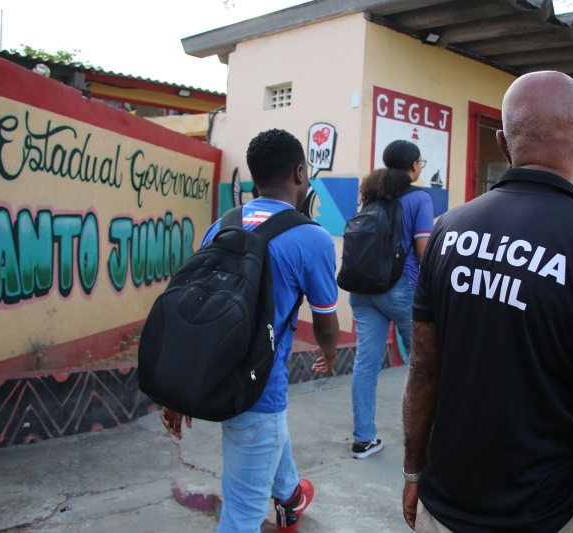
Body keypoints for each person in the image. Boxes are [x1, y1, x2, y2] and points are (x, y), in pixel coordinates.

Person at [402, 71, 573, 533]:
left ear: (503, 144)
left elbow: (424, 368)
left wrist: (413, 472)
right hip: (544, 515)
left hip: (443, 505)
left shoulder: (449, 228)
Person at [160, 129, 340, 533]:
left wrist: (178, 392)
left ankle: (291, 499)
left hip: (216, 372)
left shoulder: (221, 226)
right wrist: (329, 355)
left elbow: (196, 309)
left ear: (255, 177)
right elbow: (326, 321)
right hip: (257, 388)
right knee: (242, 512)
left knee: (271, 433)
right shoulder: (312, 238)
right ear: (300, 173)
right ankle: (282, 501)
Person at [349, 139, 434, 459]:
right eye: (421, 162)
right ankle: (426, 441)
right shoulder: (419, 198)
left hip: (363, 291)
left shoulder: (372, 195)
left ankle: (363, 440)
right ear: (413, 165)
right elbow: (424, 252)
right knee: (423, 366)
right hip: (400, 291)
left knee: (365, 363)